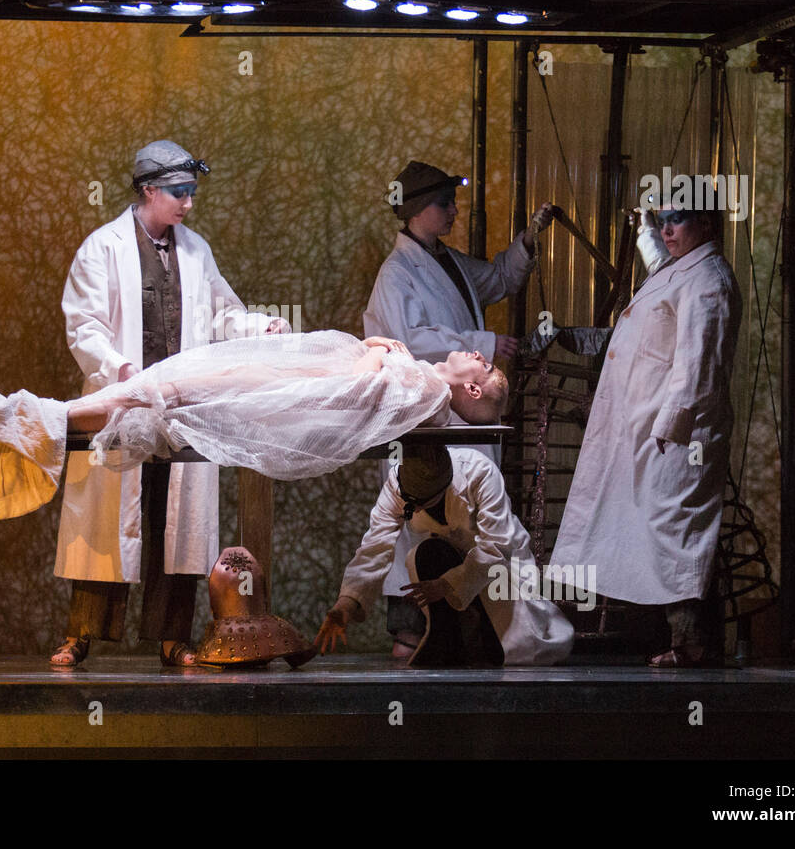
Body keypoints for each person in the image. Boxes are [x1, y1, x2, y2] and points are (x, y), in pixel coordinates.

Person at [50, 140, 288, 668]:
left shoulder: (196, 251)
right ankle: (82, 634)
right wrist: (122, 371)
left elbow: (223, 314)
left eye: (192, 193)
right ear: (148, 190)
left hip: (180, 409)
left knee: (175, 525)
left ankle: (172, 636)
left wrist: (259, 325)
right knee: (109, 524)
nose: (187, 203)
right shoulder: (103, 248)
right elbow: (83, 325)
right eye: (178, 193)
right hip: (125, 405)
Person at [0, 333, 509, 518]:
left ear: (473, 389)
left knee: (161, 394)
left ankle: (2, 415)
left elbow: (358, 389)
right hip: (286, 388)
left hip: (284, 393)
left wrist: (377, 356)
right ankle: (4, 420)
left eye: (484, 366)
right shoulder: (425, 378)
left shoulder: (429, 387)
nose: (477, 355)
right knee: (153, 397)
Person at [363, 159, 555, 658]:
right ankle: (411, 629)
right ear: (416, 211)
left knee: (465, 522)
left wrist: (528, 242)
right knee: (417, 522)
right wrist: (482, 341)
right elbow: (407, 341)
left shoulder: (444, 261)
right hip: (426, 419)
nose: (452, 211)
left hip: (458, 417)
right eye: (443, 204)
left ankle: (467, 630)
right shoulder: (397, 273)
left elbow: (493, 281)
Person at [549, 204, 741, 667]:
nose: (668, 229)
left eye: (678, 220)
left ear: (707, 224)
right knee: (651, 531)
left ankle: (691, 643)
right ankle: (671, 639)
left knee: (676, 531)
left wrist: (672, 427)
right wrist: (643, 230)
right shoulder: (681, 269)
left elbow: (700, 366)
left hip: (679, 434)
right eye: (664, 220)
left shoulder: (709, 281)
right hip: (647, 428)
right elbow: (660, 263)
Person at [316, 444, 573, 666]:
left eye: (423, 504)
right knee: (425, 554)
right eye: (411, 503)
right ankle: (449, 640)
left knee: (521, 650)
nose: (415, 509)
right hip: (449, 557)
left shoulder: (479, 472)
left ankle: (485, 640)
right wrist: (345, 604)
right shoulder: (396, 484)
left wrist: (448, 584)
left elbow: (497, 545)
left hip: (501, 565)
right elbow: (375, 547)